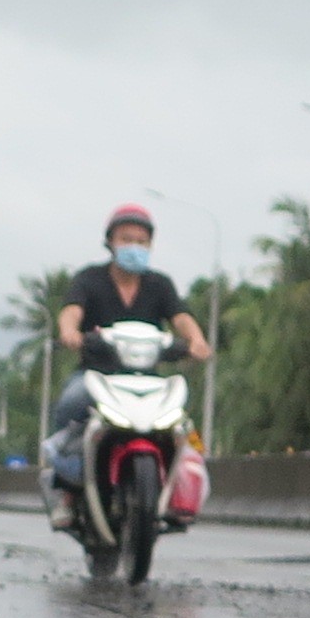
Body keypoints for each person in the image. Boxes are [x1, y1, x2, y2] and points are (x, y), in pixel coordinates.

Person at [45, 204, 207, 527]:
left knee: (180, 425)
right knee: (69, 402)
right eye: (126, 239)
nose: (134, 246)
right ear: (110, 242)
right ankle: (66, 491)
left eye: (141, 241)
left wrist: (196, 340)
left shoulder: (160, 285)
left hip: (148, 381)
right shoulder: (89, 279)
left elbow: (181, 317)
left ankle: (175, 492)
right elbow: (72, 311)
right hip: (97, 377)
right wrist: (69, 332)